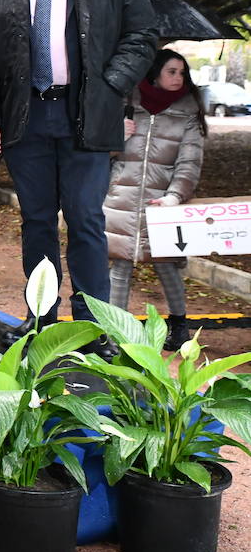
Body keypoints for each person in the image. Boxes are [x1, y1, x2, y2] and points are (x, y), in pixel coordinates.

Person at [0, 0, 157, 343]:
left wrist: (109, 87)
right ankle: (40, 320)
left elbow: (142, 33)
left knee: (86, 218)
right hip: (25, 112)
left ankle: (96, 326)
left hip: (86, 110)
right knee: (35, 221)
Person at [104, 49, 205, 350]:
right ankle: (114, 334)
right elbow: (102, 153)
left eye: (182, 73)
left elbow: (190, 163)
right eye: (172, 71)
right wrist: (114, 136)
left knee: (166, 266)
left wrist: (175, 197)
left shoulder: (189, 114)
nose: (178, 78)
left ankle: (179, 325)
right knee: (120, 266)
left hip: (161, 205)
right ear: (154, 72)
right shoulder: (127, 104)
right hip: (121, 200)